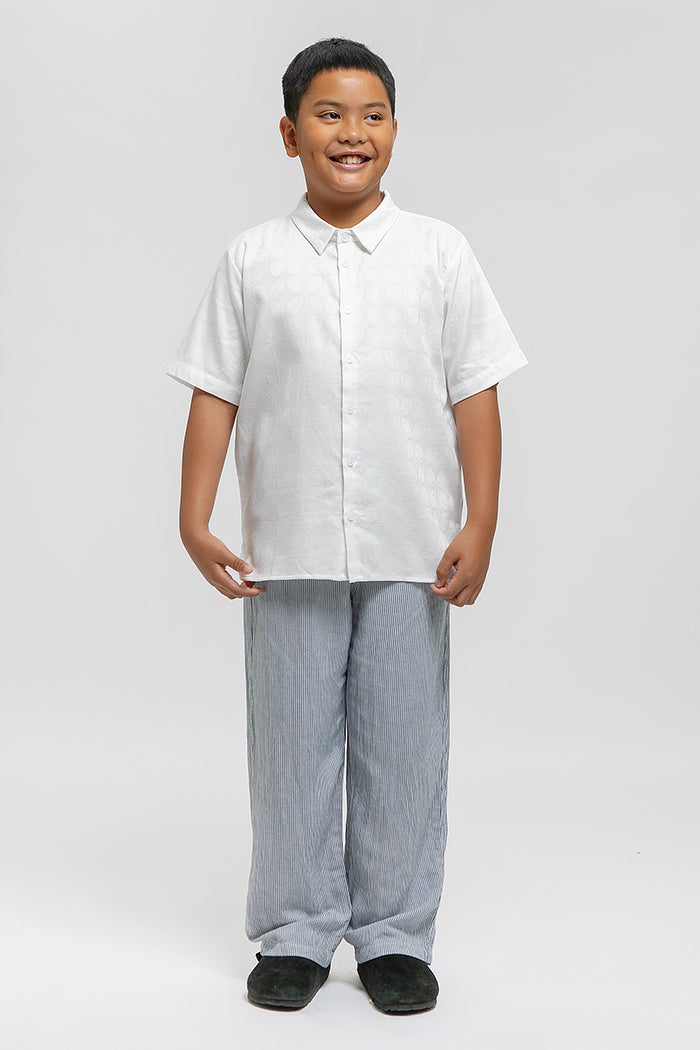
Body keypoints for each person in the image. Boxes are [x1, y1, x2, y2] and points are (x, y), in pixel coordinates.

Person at [165, 36, 528, 1014]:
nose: (351, 132)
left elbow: (475, 391)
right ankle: (293, 930)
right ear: (290, 134)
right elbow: (215, 391)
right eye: (329, 114)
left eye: (371, 115)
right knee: (290, 745)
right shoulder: (252, 260)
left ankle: (394, 935)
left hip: (412, 547)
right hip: (285, 550)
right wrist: (194, 518)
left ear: (395, 130)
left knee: (403, 745)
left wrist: (483, 519)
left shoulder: (440, 254)